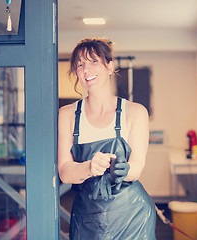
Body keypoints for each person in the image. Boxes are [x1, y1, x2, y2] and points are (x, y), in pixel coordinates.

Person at [58, 38, 156, 239]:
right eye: (80, 65)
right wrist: (88, 167)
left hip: (133, 217)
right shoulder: (67, 114)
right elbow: (65, 172)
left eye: (93, 61)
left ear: (110, 66)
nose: (86, 70)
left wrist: (124, 170)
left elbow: (136, 167)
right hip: (87, 219)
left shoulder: (135, 112)